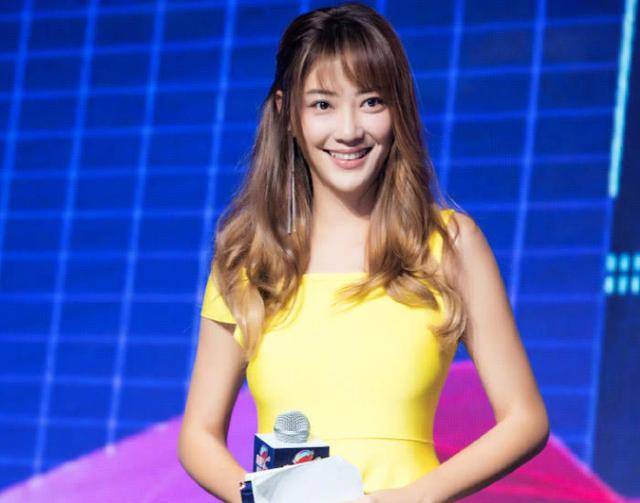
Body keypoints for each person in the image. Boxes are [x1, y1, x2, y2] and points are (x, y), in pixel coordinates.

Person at [177, 3, 550, 502]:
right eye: (323, 104)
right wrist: (264, 497)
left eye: (371, 101)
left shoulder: (449, 244)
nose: (350, 129)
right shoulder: (250, 257)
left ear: (399, 109)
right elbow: (198, 434)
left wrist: (414, 497)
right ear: (287, 113)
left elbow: (525, 418)